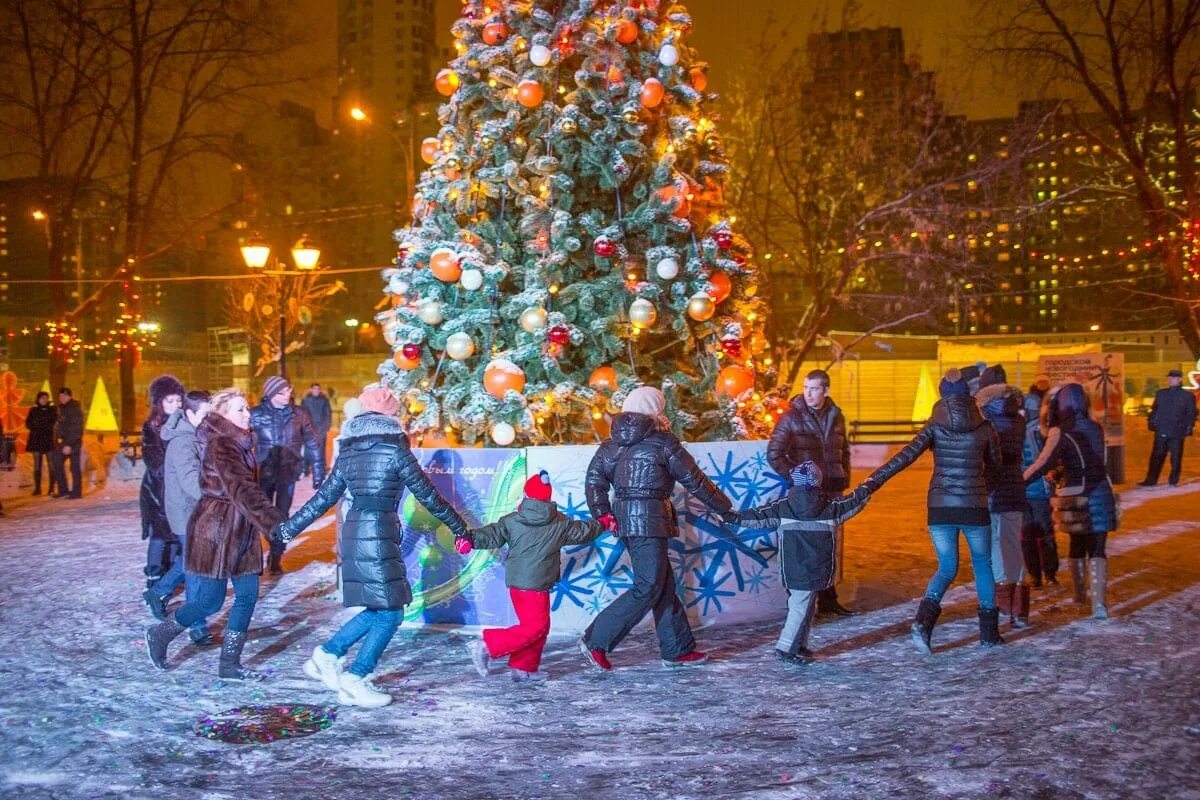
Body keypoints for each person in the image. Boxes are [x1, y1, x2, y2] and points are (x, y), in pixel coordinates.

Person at [275, 387, 468, 707]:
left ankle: (328, 654)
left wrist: (289, 529)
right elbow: (429, 497)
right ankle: (355, 676)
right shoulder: (396, 450)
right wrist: (461, 528)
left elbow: (324, 498)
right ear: (390, 414)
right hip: (378, 532)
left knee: (381, 608)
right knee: (391, 612)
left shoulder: (349, 451)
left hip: (354, 531)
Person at [579, 387, 732, 670]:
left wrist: (604, 514)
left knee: (661, 584)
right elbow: (695, 480)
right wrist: (725, 508)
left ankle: (677, 649)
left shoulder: (610, 444)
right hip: (649, 519)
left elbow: (593, 482)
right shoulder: (664, 442)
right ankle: (596, 639)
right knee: (649, 585)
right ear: (656, 411)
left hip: (624, 521)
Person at [145, 388, 287, 680]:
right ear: (222, 415)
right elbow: (242, 489)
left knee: (247, 595)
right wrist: (274, 523)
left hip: (241, 529)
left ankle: (229, 664)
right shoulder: (222, 445)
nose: (247, 414)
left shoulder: (241, 442)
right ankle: (160, 634)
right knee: (209, 601)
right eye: (239, 410)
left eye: (247, 408)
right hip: (217, 530)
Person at [862, 369, 1003, 652]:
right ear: (968, 393)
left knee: (947, 566)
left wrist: (874, 480)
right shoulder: (985, 426)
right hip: (974, 507)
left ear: (941, 394)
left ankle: (923, 622)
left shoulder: (934, 426)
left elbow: (905, 456)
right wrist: (982, 490)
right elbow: (996, 468)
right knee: (982, 565)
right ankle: (989, 634)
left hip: (940, 507)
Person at [722, 462, 874, 666]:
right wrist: (868, 487)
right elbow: (854, 502)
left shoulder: (783, 506)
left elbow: (757, 517)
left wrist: (731, 517)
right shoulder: (830, 506)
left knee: (805, 607)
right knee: (801, 608)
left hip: (793, 568)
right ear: (818, 482)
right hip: (816, 567)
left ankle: (797, 644)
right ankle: (785, 648)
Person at [462, 471, 606, 683]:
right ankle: (486, 645)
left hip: (517, 583)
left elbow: (492, 534)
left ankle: (524, 667)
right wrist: (602, 523)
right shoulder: (560, 523)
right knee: (535, 627)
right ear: (548, 498)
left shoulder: (512, 520)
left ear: (526, 495)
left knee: (539, 626)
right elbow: (584, 531)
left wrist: (469, 539)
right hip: (536, 584)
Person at [1024, 383, 1118, 620]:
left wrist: (1019, 481)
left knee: (1077, 544)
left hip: (1077, 494)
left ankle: (1079, 595)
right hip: (1101, 492)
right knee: (1098, 548)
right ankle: (1099, 605)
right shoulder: (1096, 428)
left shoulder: (1060, 431)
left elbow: (1042, 463)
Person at [766, 369, 855, 617]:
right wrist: (799, 479)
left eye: (814, 388)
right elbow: (774, 453)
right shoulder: (791, 418)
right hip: (806, 494)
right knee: (807, 547)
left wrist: (843, 476)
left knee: (829, 544)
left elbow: (844, 449)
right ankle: (804, 604)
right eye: (806, 387)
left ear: (825, 390)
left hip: (832, 490)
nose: (808, 393)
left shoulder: (836, 416)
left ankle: (829, 601)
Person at [142, 391, 214, 645]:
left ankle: (158, 591)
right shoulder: (184, 442)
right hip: (187, 512)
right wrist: (216, 496)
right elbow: (191, 483)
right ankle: (197, 624)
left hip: (192, 509)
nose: (210, 419)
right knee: (195, 566)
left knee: (188, 560)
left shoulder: (196, 433)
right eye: (206, 414)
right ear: (191, 414)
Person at [250, 376, 325, 575]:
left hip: (288, 472)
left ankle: (276, 554)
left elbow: (312, 442)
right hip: (263, 473)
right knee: (260, 516)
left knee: (282, 515)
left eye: (288, 391)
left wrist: (318, 472)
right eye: (282, 392)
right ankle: (258, 553)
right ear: (271, 394)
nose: (288, 395)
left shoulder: (299, 413)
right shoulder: (255, 414)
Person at [976, 380, 1030, 628]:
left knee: (996, 545)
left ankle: (1004, 601)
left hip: (994, 489)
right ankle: (1020, 607)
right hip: (1016, 487)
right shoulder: (1019, 421)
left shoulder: (987, 423)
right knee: (1013, 544)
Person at [140, 375, 186, 606]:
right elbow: (153, 460)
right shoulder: (151, 427)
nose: (176, 405)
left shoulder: (185, 423)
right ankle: (154, 577)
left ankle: (174, 576)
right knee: (159, 536)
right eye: (170, 401)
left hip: (180, 488)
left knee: (179, 535)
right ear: (160, 403)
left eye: (178, 400)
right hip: (158, 491)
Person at [1021, 379, 1059, 587]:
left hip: (1022, 489)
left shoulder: (1016, 427)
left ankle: (1035, 576)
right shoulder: (1043, 428)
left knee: (1027, 535)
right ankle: (1049, 574)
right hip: (1040, 489)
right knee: (1045, 533)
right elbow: (1049, 459)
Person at [1139, 368, 1197, 487]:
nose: (1170, 380)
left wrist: (1188, 427)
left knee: (1175, 458)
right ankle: (1151, 480)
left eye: (1173, 378)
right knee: (1156, 457)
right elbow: (1155, 409)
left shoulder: (1187, 396)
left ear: (1179, 379)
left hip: (1177, 431)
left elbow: (1191, 413)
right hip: (1162, 430)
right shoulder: (1161, 394)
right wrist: (1151, 421)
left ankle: (1173, 481)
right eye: (1169, 378)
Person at [51, 387, 84, 499]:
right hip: (65, 441)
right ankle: (64, 490)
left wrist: (69, 444)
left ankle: (75, 492)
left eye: (64, 396)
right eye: (60, 396)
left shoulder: (73, 409)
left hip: (72, 441)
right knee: (57, 461)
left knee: (74, 466)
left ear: (70, 396)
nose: (62, 398)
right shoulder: (63, 408)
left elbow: (76, 428)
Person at [24, 391, 57, 496]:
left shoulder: (52, 410)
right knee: (37, 464)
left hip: (48, 439)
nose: (44, 400)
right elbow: (28, 423)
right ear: (38, 399)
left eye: (46, 398)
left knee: (51, 463)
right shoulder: (33, 410)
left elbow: (52, 422)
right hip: (36, 439)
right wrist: (39, 424)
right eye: (42, 398)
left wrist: (39, 424)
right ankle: (37, 488)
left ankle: (51, 488)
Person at [300, 383, 332, 478]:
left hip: (321, 429)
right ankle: (305, 469)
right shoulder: (306, 401)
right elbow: (303, 415)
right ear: (311, 390)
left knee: (321, 449)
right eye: (314, 389)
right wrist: (306, 428)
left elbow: (327, 414)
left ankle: (321, 469)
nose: (316, 391)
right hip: (309, 429)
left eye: (318, 389)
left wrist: (325, 427)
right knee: (308, 449)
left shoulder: (324, 401)